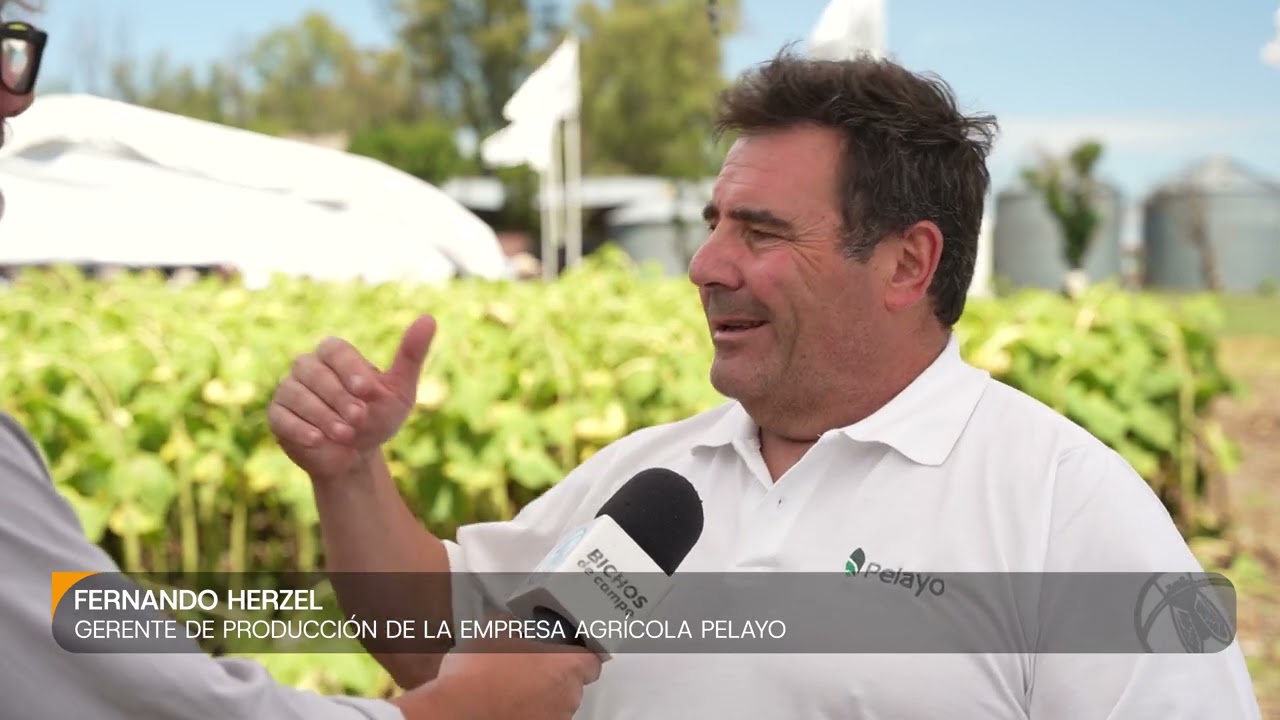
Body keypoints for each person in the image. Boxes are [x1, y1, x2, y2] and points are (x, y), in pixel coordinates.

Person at [275, 52, 1263, 719]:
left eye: (759, 231)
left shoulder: (1064, 509)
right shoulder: (655, 487)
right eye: (712, 222)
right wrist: (351, 473)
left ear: (905, 264)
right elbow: (439, 652)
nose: (704, 264)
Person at [0, 3, 602, 718]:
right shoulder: (654, 473)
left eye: (755, 231)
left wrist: (352, 474)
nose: (18, 92)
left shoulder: (656, 475)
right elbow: (160, 701)